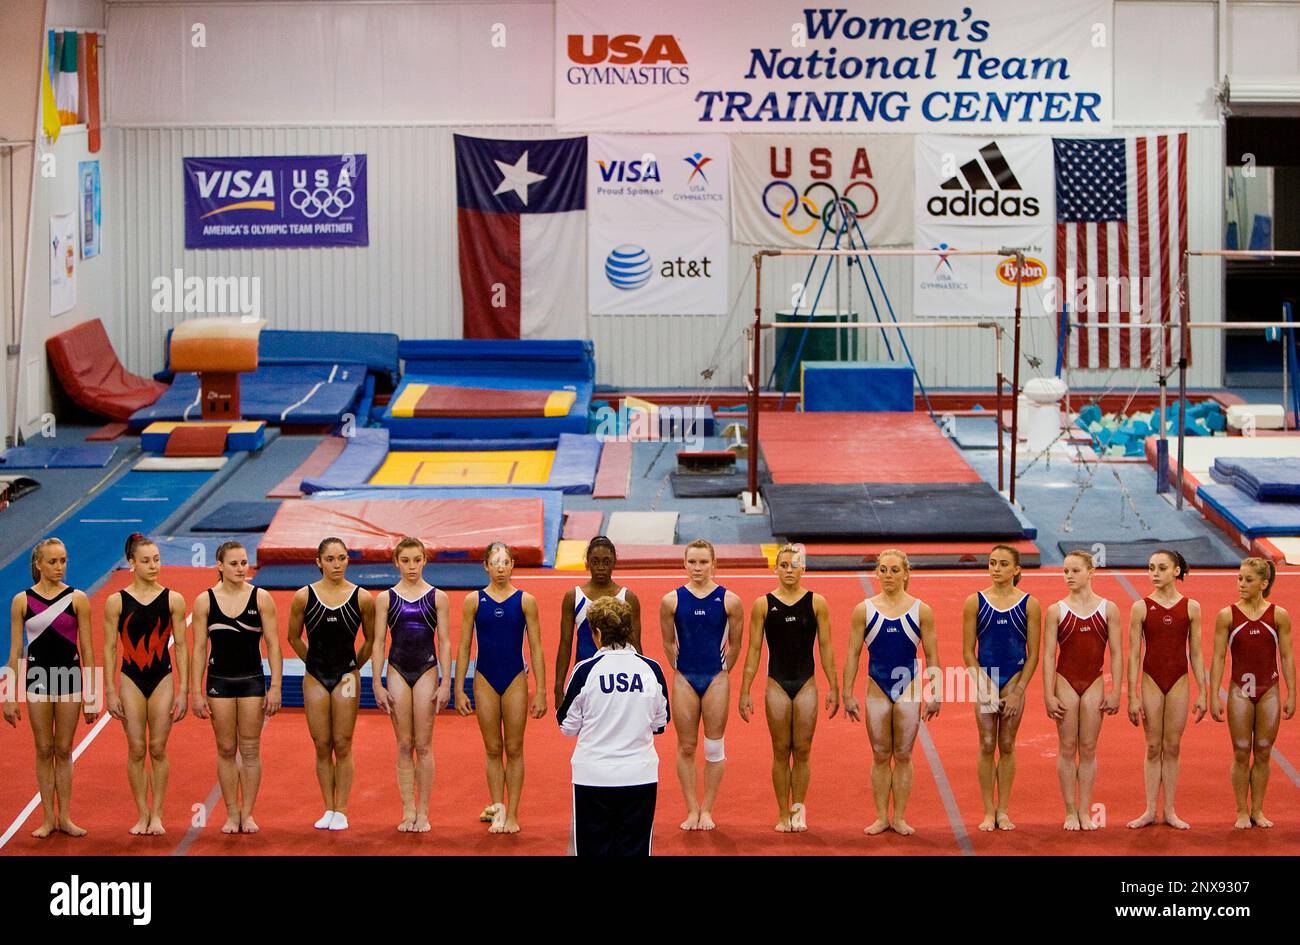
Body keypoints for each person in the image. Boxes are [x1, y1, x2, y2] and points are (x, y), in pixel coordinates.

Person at [738, 543, 839, 832]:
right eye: (784, 565)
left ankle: (799, 810)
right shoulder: (763, 604)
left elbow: (827, 648)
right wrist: (745, 690)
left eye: (794, 565)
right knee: (781, 750)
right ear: (775, 569)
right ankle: (783, 812)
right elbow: (754, 651)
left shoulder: (817, 602)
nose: (789, 570)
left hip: (806, 682)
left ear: (803, 568)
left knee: (803, 750)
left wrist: (833, 685)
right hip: (777, 683)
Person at [558, 596, 669, 856]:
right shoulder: (651, 669)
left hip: (593, 776)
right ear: (629, 629)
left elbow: (566, 725)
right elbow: (661, 722)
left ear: (596, 633)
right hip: (639, 775)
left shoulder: (586, 671)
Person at [3, 538, 96, 838]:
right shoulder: (22, 601)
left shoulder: (77, 598)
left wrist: (92, 695)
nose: (60, 567)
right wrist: (8, 696)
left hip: (68, 677)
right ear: (38, 564)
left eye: (63, 561)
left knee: (63, 748)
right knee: (43, 749)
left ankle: (65, 816)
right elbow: (15, 651)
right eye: (53, 562)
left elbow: (88, 650)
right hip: (38, 678)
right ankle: (47, 818)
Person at [843, 549, 940, 836]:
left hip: (908, 687)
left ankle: (899, 816)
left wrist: (936, 692)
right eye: (883, 570)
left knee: (904, 754)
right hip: (877, 686)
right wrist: (848, 693)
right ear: (876, 573)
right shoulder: (864, 609)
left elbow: (933, 655)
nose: (888, 575)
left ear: (906, 573)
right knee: (880, 753)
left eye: (895, 570)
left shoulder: (921, 610)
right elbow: (852, 654)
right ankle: (880, 816)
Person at [190, 540, 283, 834]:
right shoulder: (205, 601)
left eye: (244, 563)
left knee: (251, 749)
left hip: (252, 679)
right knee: (227, 747)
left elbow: (274, 645)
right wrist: (195, 691)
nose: (241, 568)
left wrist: (276, 685)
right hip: (220, 681)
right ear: (219, 566)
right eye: (234, 563)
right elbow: (198, 650)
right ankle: (231, 812)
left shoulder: (261, 598)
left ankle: (248, 812)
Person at [455, 542, 546, 834]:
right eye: (495, 563)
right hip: (484, 678)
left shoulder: (525, 601)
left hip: (515, 678)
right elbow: (464, 646)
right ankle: (498, 808)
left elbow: (536, 647)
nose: (501, 568)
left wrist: (541, 691)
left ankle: (514, 812)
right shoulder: (473, 601)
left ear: (513, 566)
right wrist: (459, 688)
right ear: (485, 566)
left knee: (515, 747)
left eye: (506, 562)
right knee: (493, 748)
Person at [287, 537, 375, 832]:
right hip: (315, 676)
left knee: (343, 742)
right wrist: (312, 662)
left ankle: (342, 808)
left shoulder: (362, 598)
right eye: (331, 559)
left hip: (347, 676)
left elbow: (371, 641)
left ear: (348, 560)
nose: (337, 565)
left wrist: (354, 667)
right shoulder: (304, 596)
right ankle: (328, 807)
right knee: (322, 744)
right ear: (318, 562)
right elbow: (293, 637)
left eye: (342, 558)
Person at [103, 533, 188, 835]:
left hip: (161, 677)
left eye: (157, 559)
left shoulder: (173, 599)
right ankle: (142, 813)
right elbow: (110, 648)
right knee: (137, 749)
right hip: (130, 678)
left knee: (158, 747)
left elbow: (180, 647)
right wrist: (110, 690)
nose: (154, 565)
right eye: (146, 561)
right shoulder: (116, 602)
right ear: (131, 564)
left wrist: (183, 690)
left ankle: (158, 814)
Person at [659, 539, 744, 830]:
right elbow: (668, 642)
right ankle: (691, 808)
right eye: (692, 562)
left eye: (703, 562)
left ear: (714, 564)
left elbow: (735, 645)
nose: (697, 568)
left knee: (713, 747)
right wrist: (680, 670)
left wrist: (722, 672)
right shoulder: (671, 600)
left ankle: (707, 808)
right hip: (684, 677)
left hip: (716, 678)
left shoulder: (730, 600)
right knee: (685, 746)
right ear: (684, 564)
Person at [371, 537, 451, 833]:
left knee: (424, 744)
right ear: (396, 563)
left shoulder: (437, 597)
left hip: (427, 668)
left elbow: (444, 641)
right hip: (397, 669)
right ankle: (408, 809)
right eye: (405, 561)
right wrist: (377, 683)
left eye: (416, 560)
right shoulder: (385, 599)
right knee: (404, 744)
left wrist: (445, 682)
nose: (411, 567)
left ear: (424, 560)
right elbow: (379, 642)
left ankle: (424, 811)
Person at [961, 544, 1041, 832]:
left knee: (1006, 744)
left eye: (1003, 564)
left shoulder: (1029, 604)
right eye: (992, 563)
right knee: (985, 744)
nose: (996, 568)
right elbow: (968, 651)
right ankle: (987, 811)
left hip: (1013, 677)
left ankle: (1003, 810)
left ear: (1017, 569)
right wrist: (983, 684)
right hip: (986, 677)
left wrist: (1018, 691)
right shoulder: (975, 602)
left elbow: (1033, 653)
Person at [1210, 557, 1295, 828]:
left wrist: (1292, 692)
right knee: (1241, 749)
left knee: (1263, 749)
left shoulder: (1278, 615)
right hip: (1239, 691)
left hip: (1269, 689)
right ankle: (1241, 810)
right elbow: (1219, 657)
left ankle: (1257, 809)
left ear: (1263, 583)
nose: (1241, 584)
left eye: (1248, 580)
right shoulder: (1228, 615)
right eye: (1239, 578)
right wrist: (1213, 694)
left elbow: (1287, 656)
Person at [1126, 549, 1206, 830]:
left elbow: (1196, 653)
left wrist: (1204, 692)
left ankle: (1169, 810)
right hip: (1151, 679)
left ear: (1176, 571)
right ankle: (1149, 809)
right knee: (1152, 745)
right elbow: (1134, 654)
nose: (1154, 574)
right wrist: (1133, 695)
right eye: (1150, 568)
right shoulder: (1141, 608)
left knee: (1172, 746)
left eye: (1161, 568)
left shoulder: (1191, 607)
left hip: (1179, 680)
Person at [1042, 550, 1122, 831]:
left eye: (1075, 571)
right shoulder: (1056, 610)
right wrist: (1048, 694)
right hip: (1065, 680)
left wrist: (1116, 692)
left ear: (1091, 572)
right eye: (1065, 571)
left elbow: (1117, 653)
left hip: (1094, 681)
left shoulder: (1108, 608)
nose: (1069, 576)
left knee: (1088, 747)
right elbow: (1049, 656)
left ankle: (1085, 810)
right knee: (1067, 746)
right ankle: (1069, 810)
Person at [554, 536, 641, 708]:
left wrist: (640, 682)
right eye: (595, 561)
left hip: (619, 679)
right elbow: (565, 643)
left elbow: (635, 644)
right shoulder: (573, 597)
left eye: (606, 561)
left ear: (614, 562)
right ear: (587, 562)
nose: (601, 567)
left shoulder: (627, 598)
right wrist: (559, 686)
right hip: (585, 679)